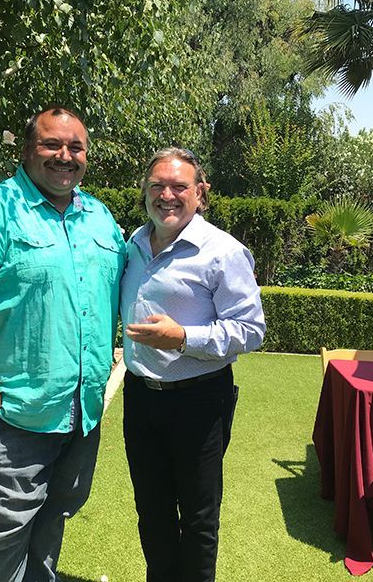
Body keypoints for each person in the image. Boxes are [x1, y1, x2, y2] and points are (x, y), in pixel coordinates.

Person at [0, 105, 126, 582]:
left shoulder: (97, 216)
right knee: (6, 530)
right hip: (13, 413)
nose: (64, 156)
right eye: (51, 144)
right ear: (26, 150)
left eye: (75, 147)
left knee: (54, 517)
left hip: (80, 412)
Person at [120, 147, 266, 582]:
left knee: (200, 518)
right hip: (140, 398)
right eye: (157, 186)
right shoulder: (134, 244)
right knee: (152, 511)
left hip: (199, 401)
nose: (167, 195)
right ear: (144, 191)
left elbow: (251, 330)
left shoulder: (222, 252)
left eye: (179, 186)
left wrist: (182, 338)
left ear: (200, 193)